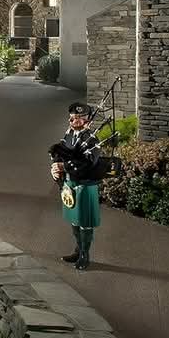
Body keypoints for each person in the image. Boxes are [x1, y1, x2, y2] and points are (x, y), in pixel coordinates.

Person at [49, 102, 102, 270]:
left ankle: (85, 255)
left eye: (80, 118)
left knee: (84, 221)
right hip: (70, 183)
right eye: (73, 117)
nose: (75, 120)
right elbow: (59, 153)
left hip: (85, 184)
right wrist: (55, 167)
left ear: (88, 121)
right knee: (74, 219)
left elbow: (88, 163)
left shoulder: (92, 139)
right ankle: (78, 251)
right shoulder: (69, 135)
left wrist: (64, 167)